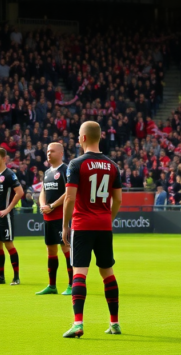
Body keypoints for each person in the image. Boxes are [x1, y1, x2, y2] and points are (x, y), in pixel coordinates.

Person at [61, 121, 123, 338]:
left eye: (79, 135)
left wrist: (65, 225)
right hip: (104, 225)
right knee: (108, 272)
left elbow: (69, 198)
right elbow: (118, 199)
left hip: (83, 224)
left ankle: (78, 324)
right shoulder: (113, 165)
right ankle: (114, 323)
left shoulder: (76, 164)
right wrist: (108, 218)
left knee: (80, 272)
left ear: (83, 138)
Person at [35, 142, 73, 296]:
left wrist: (52, 206)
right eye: (47, 151)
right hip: (48, 216)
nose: (48, 153)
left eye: (52, 151)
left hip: (62, 216)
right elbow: (43, 190)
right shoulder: (47, 172)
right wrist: (43, 204)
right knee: (51, 249)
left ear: (61, 153)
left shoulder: (66, 170)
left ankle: (72, 285)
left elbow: (69, 192)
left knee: (66, 248)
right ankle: (52, 285)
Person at [0, 147, 24, 285]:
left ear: (4, 159)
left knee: (9, 244)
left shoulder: (9, 175)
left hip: (4, 216)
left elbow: (20, 192)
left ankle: (16, 277)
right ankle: (0, 276)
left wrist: (8, 209)